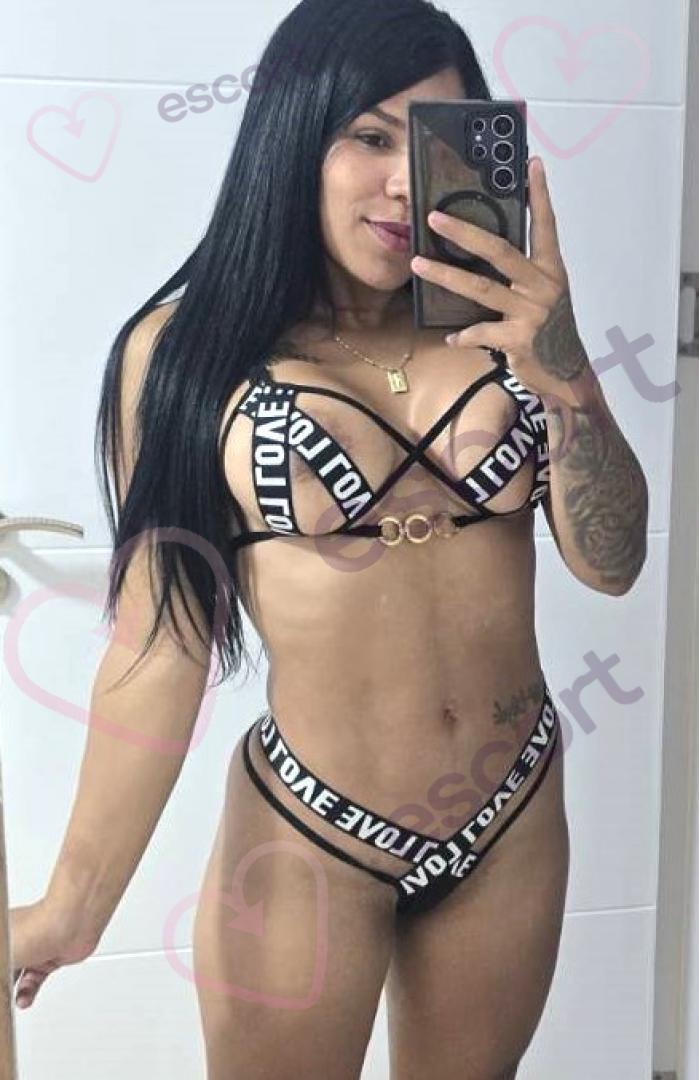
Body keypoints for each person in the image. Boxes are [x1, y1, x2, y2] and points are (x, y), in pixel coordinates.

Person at [9, 0, 649, 1077]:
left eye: (429, 142)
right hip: (312, 833)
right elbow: (162, 638)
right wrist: (75, 903)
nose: (402, 183)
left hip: (513, 814)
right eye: (366, 137)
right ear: (292, 136)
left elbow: (614, 563)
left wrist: (567, 373)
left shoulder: (507, 334)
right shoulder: (186, 355)